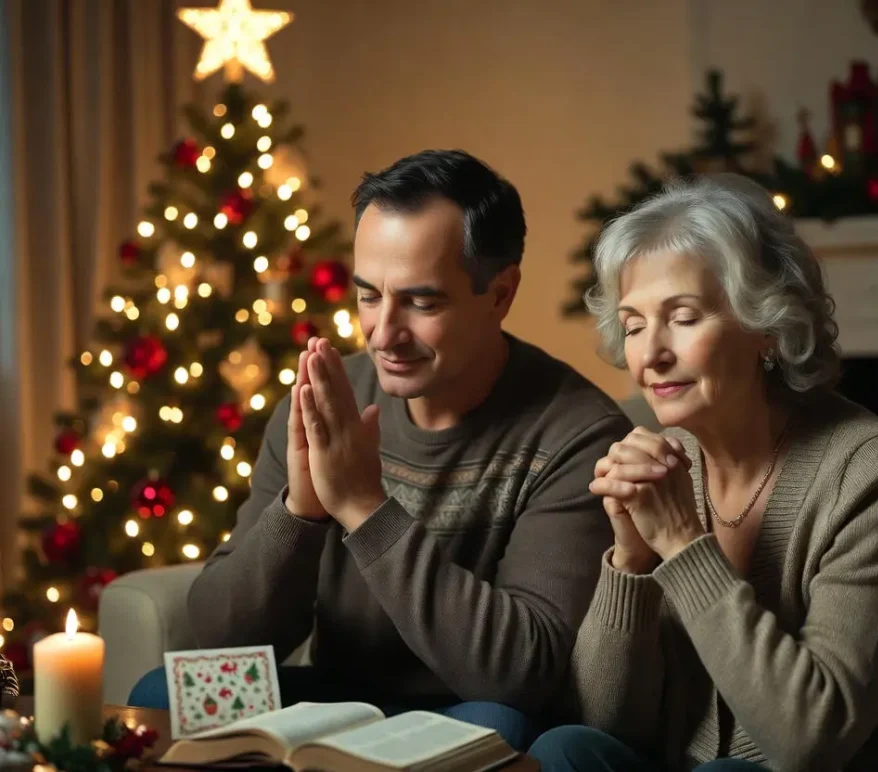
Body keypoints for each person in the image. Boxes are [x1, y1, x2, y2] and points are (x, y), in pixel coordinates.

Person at [133, 150, 633, 750]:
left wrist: (365, 511)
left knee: (499, 727)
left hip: (468, 711)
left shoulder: (578, 435)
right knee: (161, 692)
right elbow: (218, 638)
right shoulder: (328, 400)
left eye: (422, 303)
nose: (383, 333)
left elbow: (518, 673)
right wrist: (301, 511)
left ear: (500, 293)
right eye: (368, 295)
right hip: (338, 699)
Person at [529, 175, 878, 771]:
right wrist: (630, 562)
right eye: (635, 324)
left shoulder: (876, 472)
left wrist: (682, 545)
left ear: (766, 328)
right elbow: (607, 722)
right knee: (563, 748)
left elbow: (808, 742)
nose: (650, 354)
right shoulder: (670, 459)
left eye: (684, 317)